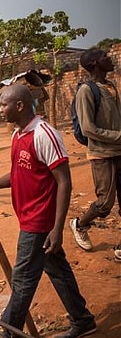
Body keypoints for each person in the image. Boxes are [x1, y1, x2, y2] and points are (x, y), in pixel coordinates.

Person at [0, 84, 96, 338]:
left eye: (4, 105)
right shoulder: (19, 135)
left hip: (39, 222)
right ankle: (82, 320)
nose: (0, 110)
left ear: (19, 106)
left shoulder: (44, 134)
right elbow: (18, 174)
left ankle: (8, 333)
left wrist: (57, 228)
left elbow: (64, 181)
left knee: (22, 282)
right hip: (28, 217)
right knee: (57, 270)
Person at [69, 48, 121, 262]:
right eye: (105, 57)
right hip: (102, 154)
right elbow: (88, 128)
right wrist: (119, 136)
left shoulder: (111, 86)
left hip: (119, 151)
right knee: (104, 203)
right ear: (94, 64)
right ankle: (79, 224)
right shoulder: (86, 91)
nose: (110, 58)